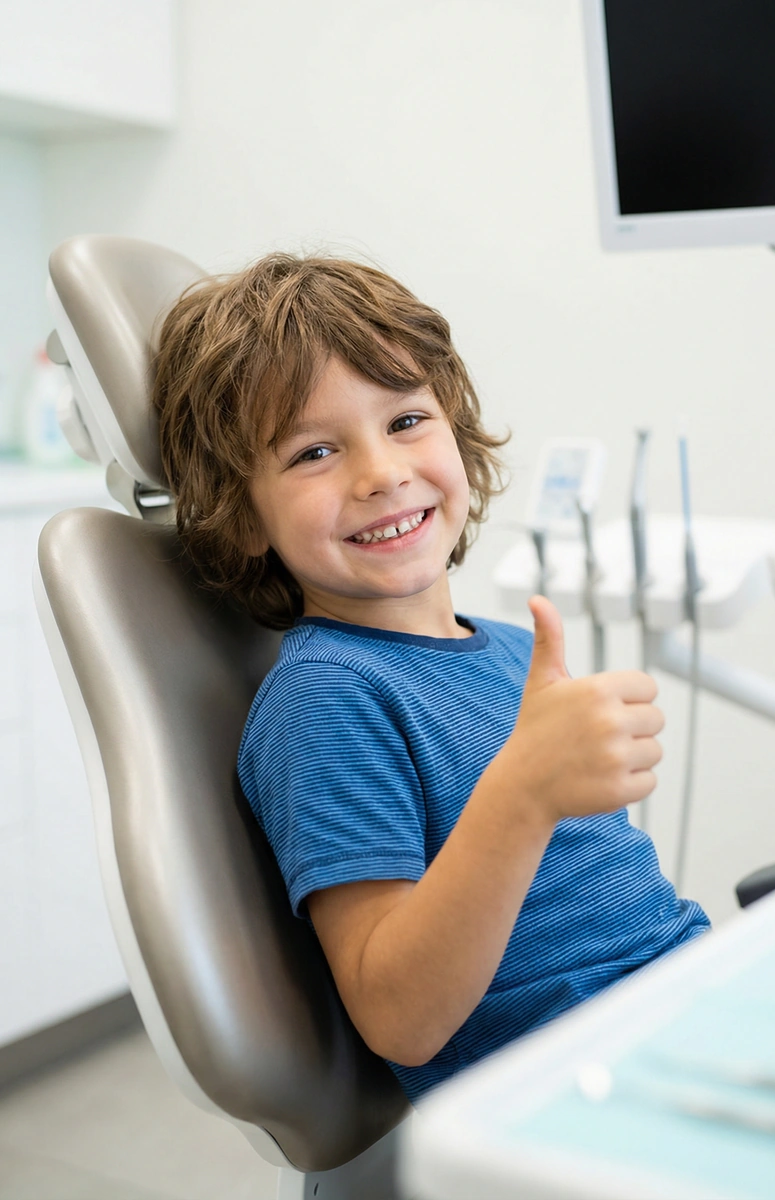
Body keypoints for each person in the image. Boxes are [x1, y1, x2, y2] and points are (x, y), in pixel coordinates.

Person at [152, 253, 709, 1102]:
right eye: (314, 452)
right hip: (580, 1087)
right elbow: (398, 1016)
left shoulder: (514, 651)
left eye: (406, 420)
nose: (379, 472)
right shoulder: (328, 698)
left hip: (679, 1013)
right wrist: (523, 793)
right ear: (244, 513)